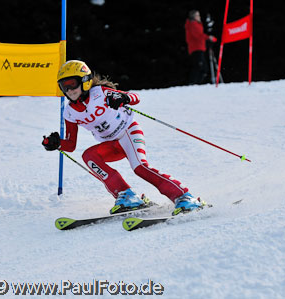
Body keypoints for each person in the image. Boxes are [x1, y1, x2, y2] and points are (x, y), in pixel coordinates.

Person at [42, 60, 203, 215]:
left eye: (72, 84)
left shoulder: (100, 93)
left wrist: (123, 98)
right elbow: (70, 145)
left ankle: (184, 196)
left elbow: (135, 98)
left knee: (140, 168)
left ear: (84, 81)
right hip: (110, 145)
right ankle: (127, 196)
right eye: (64, 86)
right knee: (89, 156)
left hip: (128, 132)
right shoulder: (70, 112)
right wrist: (56, 144)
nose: (69, 90)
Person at [184, 10, 217, 85]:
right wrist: (208, 38)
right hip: (196, 48)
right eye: (197, 15)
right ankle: (194, 83)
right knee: (201, 68)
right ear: (193, 17)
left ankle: (195, 83)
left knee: (200, 67)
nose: (199, 17)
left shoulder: (196, 24)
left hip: (199, 47)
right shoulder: (193, 24)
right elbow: (198, 35)